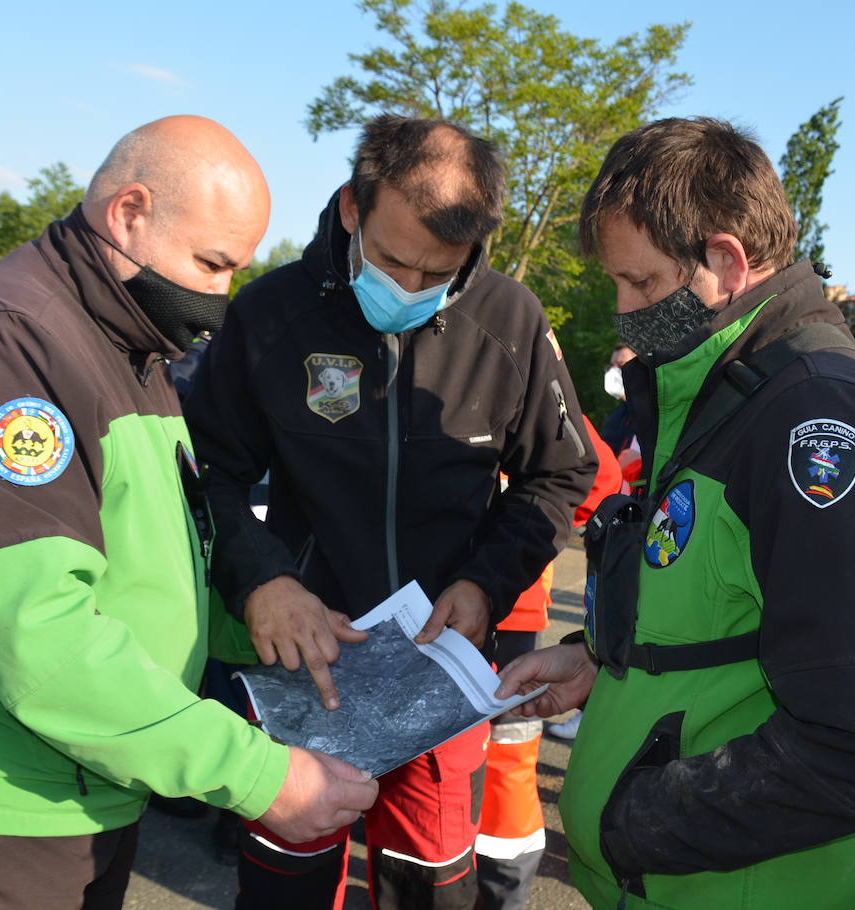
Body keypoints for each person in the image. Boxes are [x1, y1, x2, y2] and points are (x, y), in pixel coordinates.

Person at [0, 116, 378, 909]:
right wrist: (258, 775)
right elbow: (39, 633)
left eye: (235, 271)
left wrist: (266, 618)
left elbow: (145, 570)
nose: (220, 300)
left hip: (76, 787)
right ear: (128, 213)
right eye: (211, 264)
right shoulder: (2, 338)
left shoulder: (128, 348)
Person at [496, 116, 855, 909]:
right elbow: (713, 603)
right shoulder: (720, 385)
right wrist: (603, 660)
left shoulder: (813, 416)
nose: (622, 308)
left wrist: (632, 819)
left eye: (640, 284)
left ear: (725, 262)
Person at [184, 114, 597, 910]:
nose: (409, 289)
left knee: (430, 889)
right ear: (351, 208)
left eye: (437, 272)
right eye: (394, 261)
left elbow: (561, 473)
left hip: (439, 669)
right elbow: (210, 473)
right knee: (286, 883)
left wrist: (484, 584)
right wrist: (263, 579)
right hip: (307, 658)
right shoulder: (271, 314)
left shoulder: (511, 319)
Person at [476, 416, 620, 910]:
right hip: (497, 611)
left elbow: (600, 481)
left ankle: (498, 893)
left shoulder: (519, 365)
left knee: (503, 761)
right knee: (496, 766)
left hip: (504, 616)